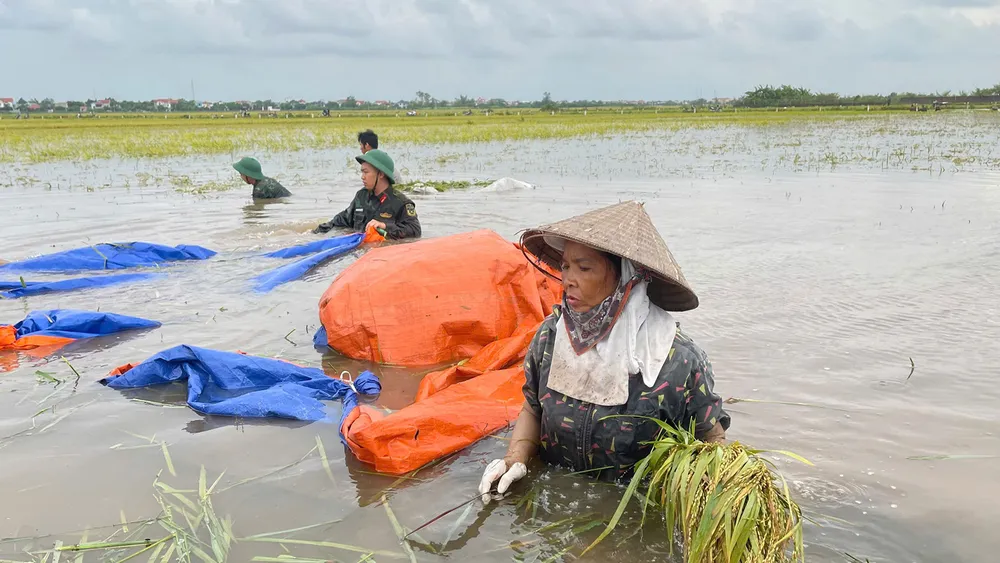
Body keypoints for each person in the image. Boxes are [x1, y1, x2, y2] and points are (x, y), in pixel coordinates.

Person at [479, 201, 730, 503]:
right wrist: (514, 459)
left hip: (633, 510)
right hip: (559, 498)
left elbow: (712, 439)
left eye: (584, 268)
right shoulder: (550, 337)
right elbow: (534, 408)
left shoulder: (676, 359)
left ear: (626, 277)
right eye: (566, 266)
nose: (568, 279)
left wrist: (718, 493)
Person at [312, 149, 421, 240]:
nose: (362, 176)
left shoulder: (401, 203)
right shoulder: (361, 196)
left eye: (366, 172)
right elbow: (341, 220)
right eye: (362, 172)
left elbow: (415, 231)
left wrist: (384, 226)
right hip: (360, 253)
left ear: (381, 174)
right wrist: (313, 234)